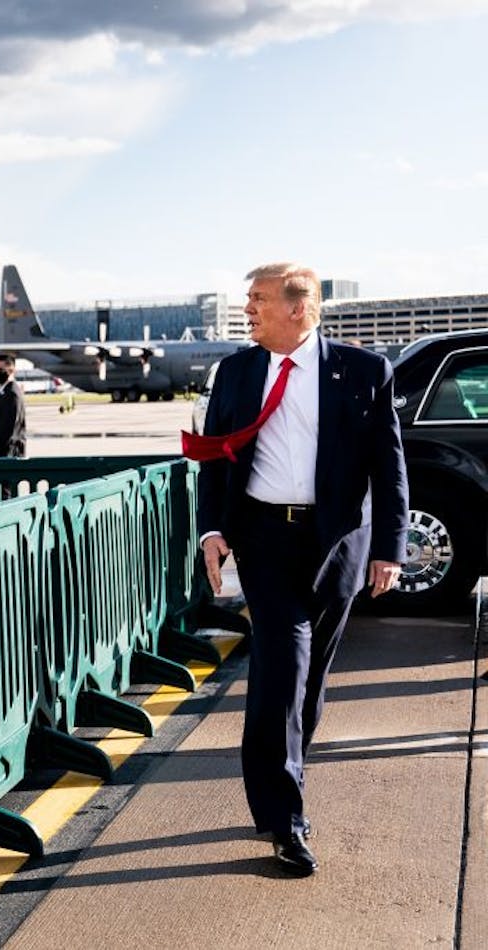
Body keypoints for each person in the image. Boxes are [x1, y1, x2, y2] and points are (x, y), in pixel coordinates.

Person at [188, 262, 408, 876]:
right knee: (283, 665)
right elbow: (213, 459)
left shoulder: (363, 371)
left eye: (257, 300)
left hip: (336, 542)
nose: (248, 310)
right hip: (264, 539)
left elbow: (388, 467)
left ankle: (283, 773)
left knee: (310, 682)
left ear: (299, 307)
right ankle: (285, 818)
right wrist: (212, 531)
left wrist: (389, 547)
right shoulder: (235, 371)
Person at [0, 354, 26, 458]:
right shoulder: (4, 391)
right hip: (1, 451)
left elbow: (8, 429)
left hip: (8, 453)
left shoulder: (12, 394)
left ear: (11, 370)